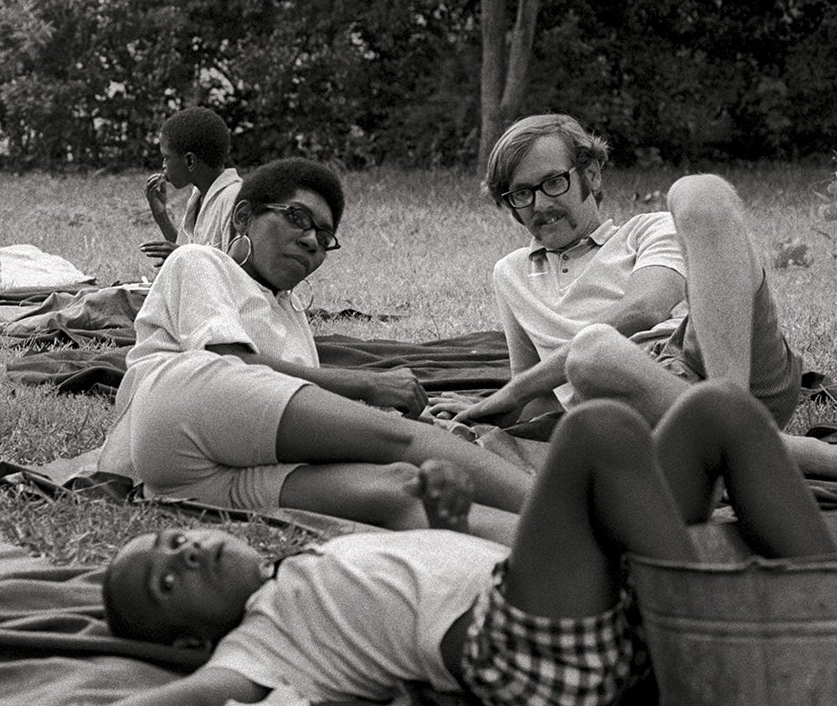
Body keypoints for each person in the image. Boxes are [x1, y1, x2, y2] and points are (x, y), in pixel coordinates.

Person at [16, 381, 837, 706]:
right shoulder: (257, 648)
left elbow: (439, 567)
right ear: (191, 640)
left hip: (565, 607)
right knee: (598, 432)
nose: (185, 546)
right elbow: (177, 705)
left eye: (170, 540)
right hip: (527, 654)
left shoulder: (317, 556)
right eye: (168, 580)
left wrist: (443, 520)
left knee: (714, 409)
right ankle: (720, 651)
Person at [98, 158, 532, 543]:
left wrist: (399, 409)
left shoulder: (289, 312)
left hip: (199, 484)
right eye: (296, 218)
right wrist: (370, 387)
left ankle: (569, 550)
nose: (311, 241)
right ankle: (573, 512)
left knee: (398, 488)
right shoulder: (200, 261)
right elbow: (230, 364)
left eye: (324, 237)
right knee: (404, 442)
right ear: (245, 216)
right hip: (174, 426)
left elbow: (296, 411)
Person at [439, 113, 837, 480]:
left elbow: (646, 307)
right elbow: (537, 398)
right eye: (520, 194)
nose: (538, 205)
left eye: (553, 182)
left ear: (590, 174)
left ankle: (728, 422)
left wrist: (512, 390)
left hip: (713, 361)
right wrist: (493, 415)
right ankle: (767, 450)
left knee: (699, 192)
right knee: (591, 355)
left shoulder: (647, 230)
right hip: (626, 407)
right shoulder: (510, 274)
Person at [141, 107, 242, 265]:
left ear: (190, 161)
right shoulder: (199, 195)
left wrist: (183, 256)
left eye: (167, 157)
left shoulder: (234, 200)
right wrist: (161, 216)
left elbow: (237, 273)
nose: (163, 165)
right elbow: (185, 251)